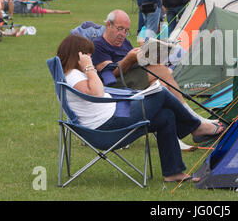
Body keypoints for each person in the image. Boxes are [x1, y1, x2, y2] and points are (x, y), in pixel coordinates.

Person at [57, 34, 224, 182]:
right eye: (87, 55)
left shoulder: (74, 74)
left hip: (114, 116)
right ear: (77, 55)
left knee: (165, 116)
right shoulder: (72, 76)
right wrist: (89, 67)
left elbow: (98, 91)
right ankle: (197, 127)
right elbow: (97, 92)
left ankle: (173, 173)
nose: (90, 58)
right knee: (161, 93)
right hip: (107, 128)